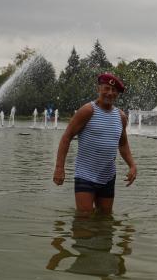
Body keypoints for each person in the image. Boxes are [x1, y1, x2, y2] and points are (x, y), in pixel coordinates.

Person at [53, 73, 137, 216]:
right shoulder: (87, 111)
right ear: (99, 88)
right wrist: (59, 167)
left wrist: (132, 165)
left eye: (114, 90)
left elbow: (123, 144)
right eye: (106, 88)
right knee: (84, 218)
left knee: (105, 219)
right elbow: (66, 137)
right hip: (85, 175)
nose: (110, 93)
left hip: (108, 176)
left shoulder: (121, 117)